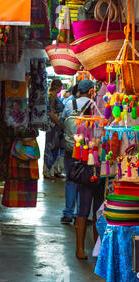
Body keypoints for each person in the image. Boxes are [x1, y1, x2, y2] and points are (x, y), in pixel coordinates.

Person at [59, 80, 94, 224]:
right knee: (84, 181)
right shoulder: (93, 105)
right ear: (90, 91)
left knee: (71, 179)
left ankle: (68, 213)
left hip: (71, 148)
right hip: (87, 149)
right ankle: (82, 214)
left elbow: (63, 123)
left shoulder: (69, 103)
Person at [44, 79, 65, 179]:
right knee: (51, 147)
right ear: (57, 86)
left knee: (55, 147)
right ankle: (48, 171)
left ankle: (54, 170)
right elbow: (51, 114)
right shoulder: (51, 97)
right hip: (53, 126)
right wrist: (60, 124)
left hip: (54, 126)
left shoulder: (52, 96)